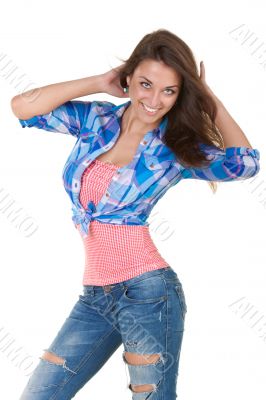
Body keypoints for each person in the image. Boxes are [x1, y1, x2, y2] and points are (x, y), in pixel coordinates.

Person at [11, 28, 260, 400]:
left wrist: (209, 98)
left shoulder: (175, 148)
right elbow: (23, 107)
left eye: (169, 91)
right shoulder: (96, 121)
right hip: (95, 296)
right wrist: (98, 82)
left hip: (149, 294)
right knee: (39, 395)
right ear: (128, 79)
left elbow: (245, 165)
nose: (155, 100)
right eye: (145, 84)